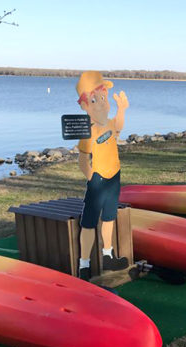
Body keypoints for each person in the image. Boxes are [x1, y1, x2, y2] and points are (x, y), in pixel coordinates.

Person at [75, 71, 130, 281]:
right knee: (89, 222)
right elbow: (82, 160)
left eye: (104, 98)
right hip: (98, 180)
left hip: (114, 177)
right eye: (95, 99)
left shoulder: (108, 124)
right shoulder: (87, 131)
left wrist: (122, 109)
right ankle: (84, 265)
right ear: (85, 105)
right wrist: (92, 177)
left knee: (109, 218)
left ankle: (108, 255)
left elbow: (119, 126)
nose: (102, 103)